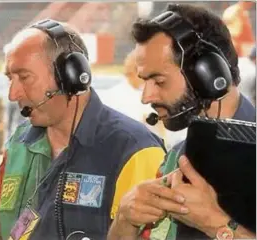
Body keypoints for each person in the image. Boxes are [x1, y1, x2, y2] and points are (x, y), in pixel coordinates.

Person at [0, 19, 167, 240]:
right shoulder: (20, 141)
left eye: (24, 77)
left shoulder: (135, 150)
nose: (13, 94)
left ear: (70, 76)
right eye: (10, 78)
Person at [107, 4, 256, 240]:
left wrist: (215, 224)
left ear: (207, 74)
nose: (146, 97)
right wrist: (125, 222)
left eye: (159, 81)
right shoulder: (177, 159)